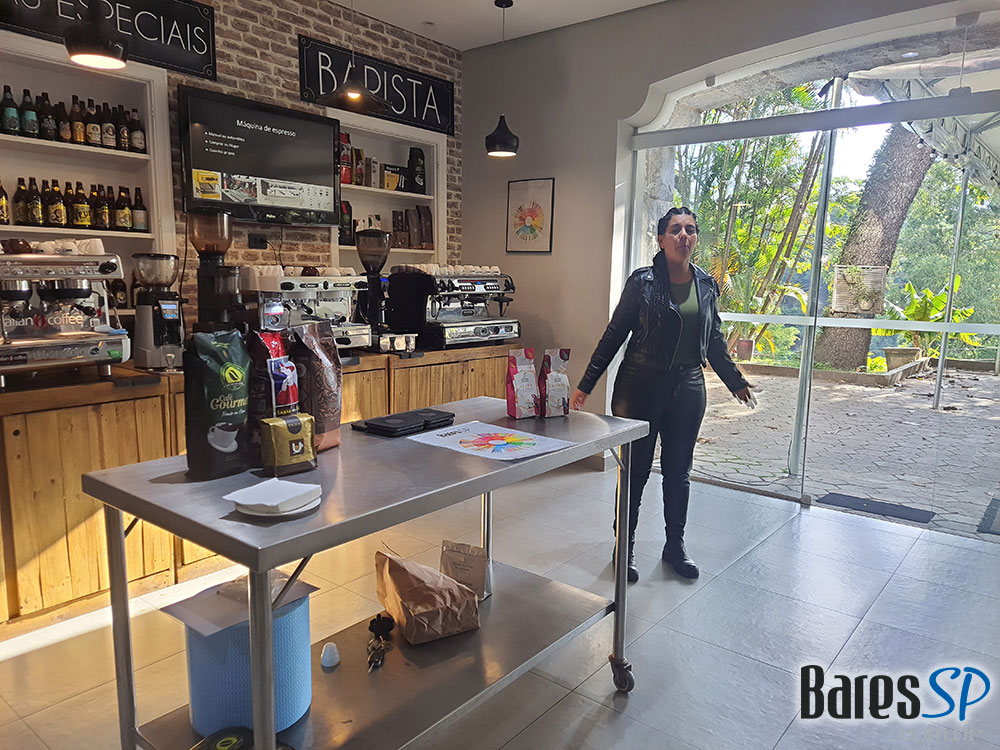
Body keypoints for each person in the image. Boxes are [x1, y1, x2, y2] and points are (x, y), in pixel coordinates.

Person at [571, 207, 754, 583]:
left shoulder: (706, 285)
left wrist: (735, 381)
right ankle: (624, 547)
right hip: (640, 384)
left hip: (689, 387)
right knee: (635, 472)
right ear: (661, 239)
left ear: (696, 238)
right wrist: (587, 383)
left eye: (690, 229)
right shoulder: (643, 282)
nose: (683, 235)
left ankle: (675, 547)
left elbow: (713, 340)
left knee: (678, 473)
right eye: (675, 229)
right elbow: (614, 334)